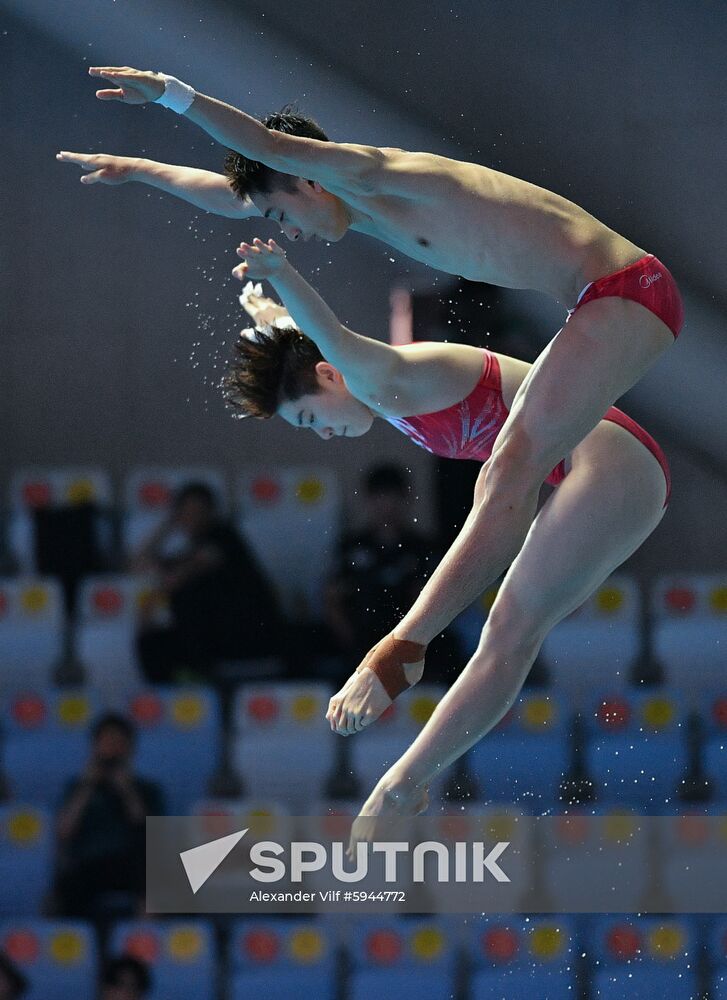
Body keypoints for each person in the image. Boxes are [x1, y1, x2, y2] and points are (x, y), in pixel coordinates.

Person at [58, 64, 683, 739]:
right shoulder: (348, 215)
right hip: (600, 305)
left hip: (622, 290)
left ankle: (405, 644)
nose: (283, 231)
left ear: (302, 177)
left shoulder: (376, 173)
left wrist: (172, 96)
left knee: (512, 467)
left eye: (277, 213)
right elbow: (229, 191)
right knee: (513, 495)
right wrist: (139, 169)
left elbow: (265, 150)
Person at [223, 237, 671, 834]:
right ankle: (403, 776)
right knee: (507, 632)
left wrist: (285, 278)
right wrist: (272, 322)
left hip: (610, 463)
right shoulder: (375, 386)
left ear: (331, 374)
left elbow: (326, 335)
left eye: (310, 418)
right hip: (601, 466)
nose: (320, 434)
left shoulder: (382, 374)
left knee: (509, 630)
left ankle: (400, 735)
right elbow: (311, 346)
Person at [131, 481, 282, 682]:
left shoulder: (224, 537)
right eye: (186, 512)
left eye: (199, 511)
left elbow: (189, 570)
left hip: (244, 638)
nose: (193, 518)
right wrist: (168, 525)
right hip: (212, 640)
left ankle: (193, 681)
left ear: (211, 512)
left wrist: (157, 594)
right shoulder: (190, 549)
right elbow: (138, 565)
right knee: (149, 641)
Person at [325, 463, 461, 684]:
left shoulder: (422, 548)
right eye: (380, 498)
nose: (386, 506)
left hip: (413, 641)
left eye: (393, 498)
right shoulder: (351, 546)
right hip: (363, 639)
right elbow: (333, 599)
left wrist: (412, 645)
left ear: (405, 499)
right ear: (369, 500)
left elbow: (436, 601)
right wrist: (351, 643)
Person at [55, 713, 164, 919]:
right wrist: (86, 788)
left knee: (154, 875)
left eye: (118, 742)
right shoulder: (77, 788)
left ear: (130, 748)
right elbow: (64, 831)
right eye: (107, 742)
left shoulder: (147, 789)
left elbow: (151, 832)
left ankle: (146, 936)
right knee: (67, 884)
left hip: (131, 862)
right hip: (90, 862)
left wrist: (127, 791)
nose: (112, 748)